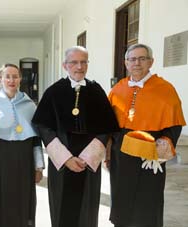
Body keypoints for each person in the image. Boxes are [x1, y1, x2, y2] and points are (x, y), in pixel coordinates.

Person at [32, 46, 119, 227]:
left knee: (87, 211)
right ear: (65, 65)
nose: (79, 67)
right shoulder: (53, 92)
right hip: (63, 162)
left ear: (87, 64)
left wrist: (88, 158)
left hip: (88, 164)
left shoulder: (96, 91)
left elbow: (106, 128)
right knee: (62, 209)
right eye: (74, 62)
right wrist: (66, 158)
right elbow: (43, 127)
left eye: (83, 62)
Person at [107, 43, 186, 227]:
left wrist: (160, 148)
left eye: (142, 59)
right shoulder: (118, 88)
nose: (137, 63)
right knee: (121, 197)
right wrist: (108, 152)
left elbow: (174, 125)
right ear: (126, 63)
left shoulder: (165, 89)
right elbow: (108, 125)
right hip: (122, 156)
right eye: (132, 59)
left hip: (150, 156)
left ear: (151, 62)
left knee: (148, 202)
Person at [0, 63, 45, 227]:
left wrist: (38, 167)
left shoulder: (29, 105)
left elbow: (36, 140)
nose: (11, 80)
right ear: (0, 79)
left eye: (15, 76)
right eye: (7, 76)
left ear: (20, 79)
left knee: (23, 203)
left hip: (24, 161)